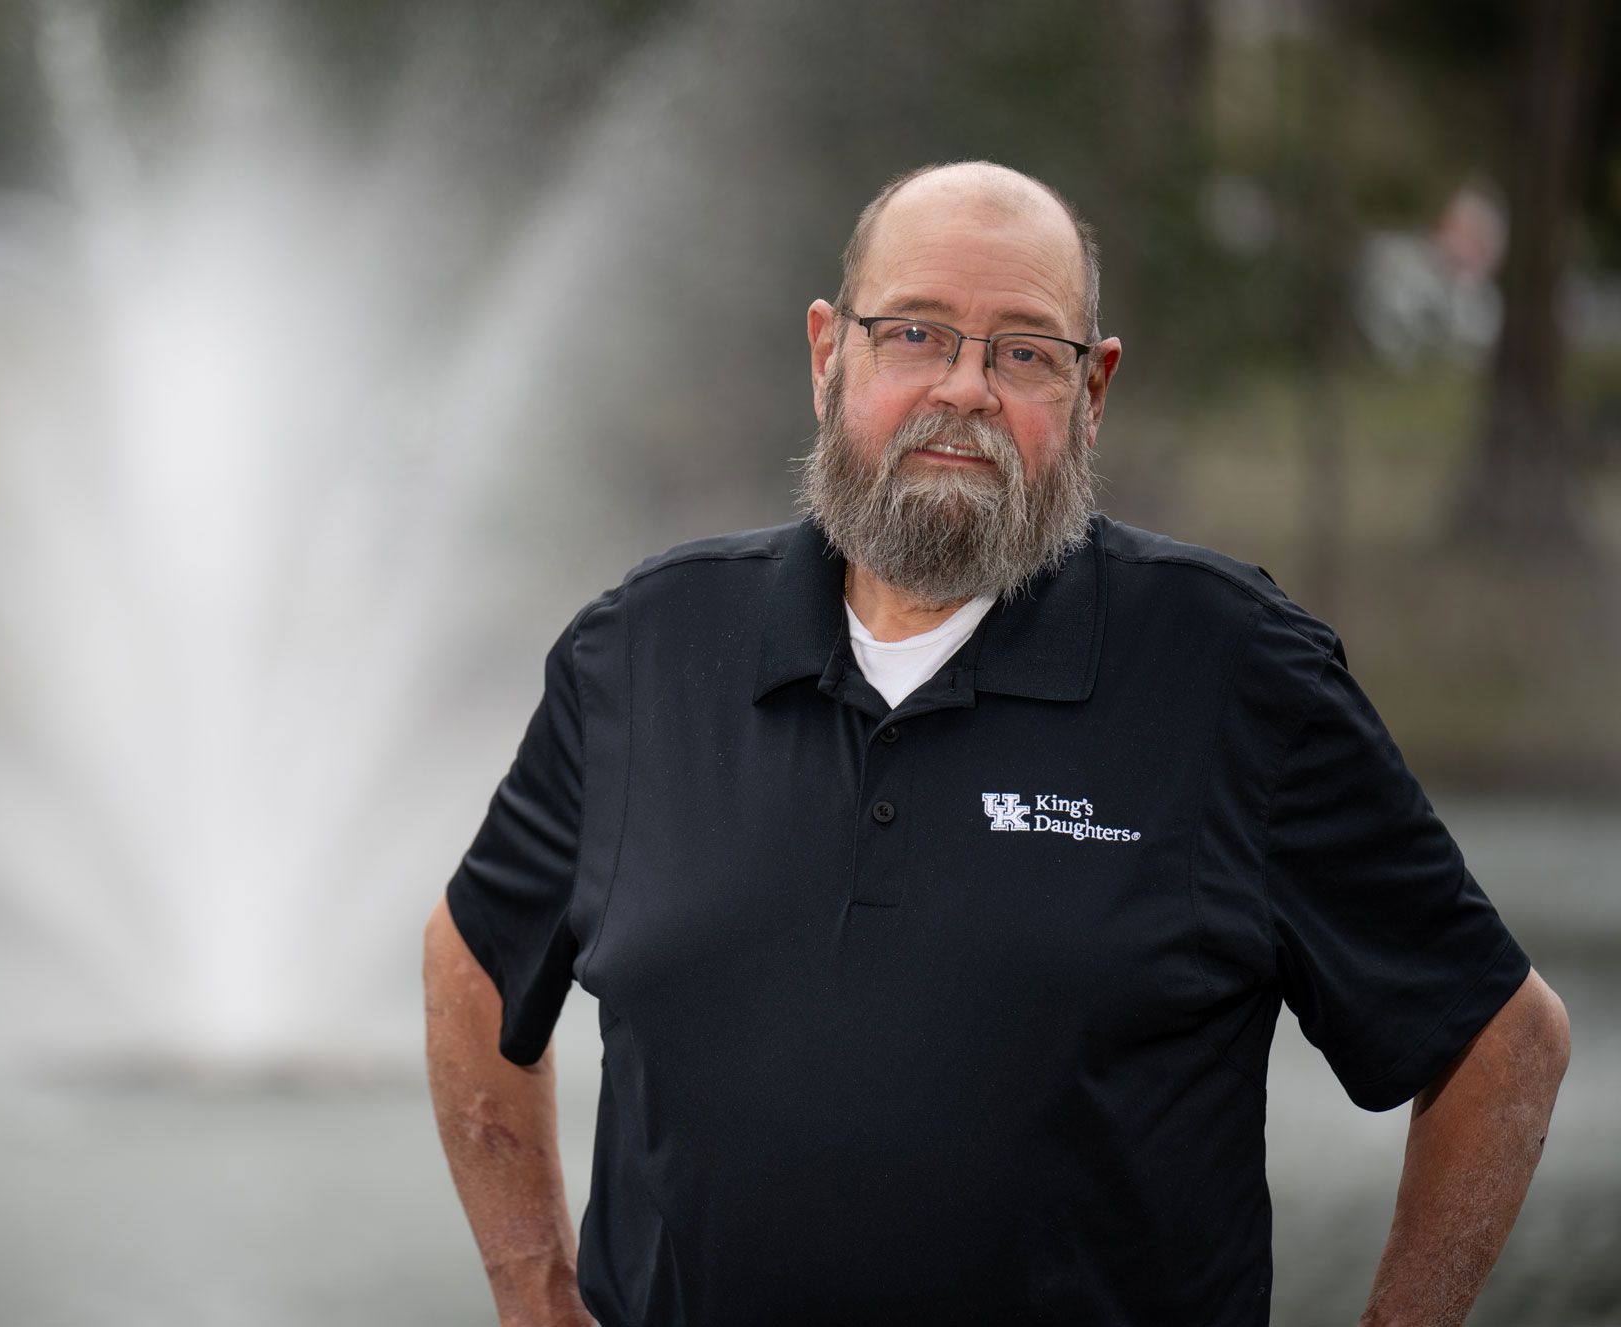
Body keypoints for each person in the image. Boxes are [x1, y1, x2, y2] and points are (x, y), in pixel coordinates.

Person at [423, 160, 1571, 1327]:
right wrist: (535, 1295)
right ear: (827, 354)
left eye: (1023, 351)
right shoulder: (642, 653)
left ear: (1092, 391)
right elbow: (471, 961)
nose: (964, 389)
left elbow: (1500, 1042)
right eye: (914, 333)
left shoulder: (1235, 675)